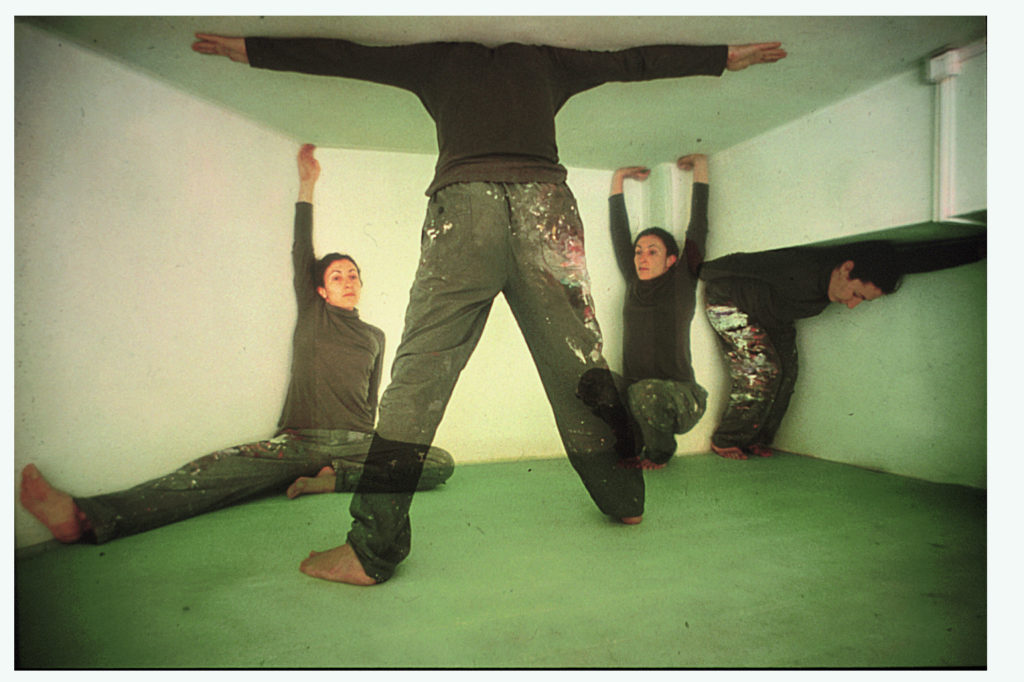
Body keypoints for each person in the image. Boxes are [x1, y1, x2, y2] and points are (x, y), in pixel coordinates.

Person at [191, 33, 788, 585]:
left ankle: (371, 550)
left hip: (463, 214)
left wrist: (253, 48)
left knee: (418, 379)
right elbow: (632, 61)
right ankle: (625, 501)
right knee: (582, 372)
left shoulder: (438, 56)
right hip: (546, 212)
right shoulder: (548, 59)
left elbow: (348, 55)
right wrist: (720, 56)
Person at [19, 144, 455, 545]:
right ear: (321, 290)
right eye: (336, 276)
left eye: (353, 275)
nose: (347, 281)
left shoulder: (375, 336)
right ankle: (83, 516)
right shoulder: (313, 313)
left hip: (355, 445)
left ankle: (335, 479)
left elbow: (371, 400)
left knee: (438, 461)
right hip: (298, 442)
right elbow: (302, 251)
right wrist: (307, 186)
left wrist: (357, 461)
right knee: (209, 471)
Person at [606, 154, 711, 470]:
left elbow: (699, 227)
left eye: (653, 252)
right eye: (639, 252)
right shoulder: (634, 282)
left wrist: (701, 167)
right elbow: (619, 234)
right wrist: (618, 178)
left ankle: (660, 452)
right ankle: (633, 445)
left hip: (682, 397)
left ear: (671, 260)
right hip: (639, 393)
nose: (642, 258)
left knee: (644, 391)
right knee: (596, 383)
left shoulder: (681, 282)